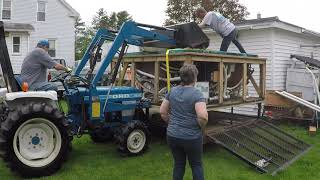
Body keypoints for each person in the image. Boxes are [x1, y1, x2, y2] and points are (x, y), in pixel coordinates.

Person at [160, 64, 208, 180]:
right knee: (196, 165)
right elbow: (203, 117)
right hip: (191, 137)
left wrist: (172, 123)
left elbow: (162, 111)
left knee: (179, 165)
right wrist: (200, 127)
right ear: (195, 78)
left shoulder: (172, 91)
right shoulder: (197, 94)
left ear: (181, 77)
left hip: (172, 135)